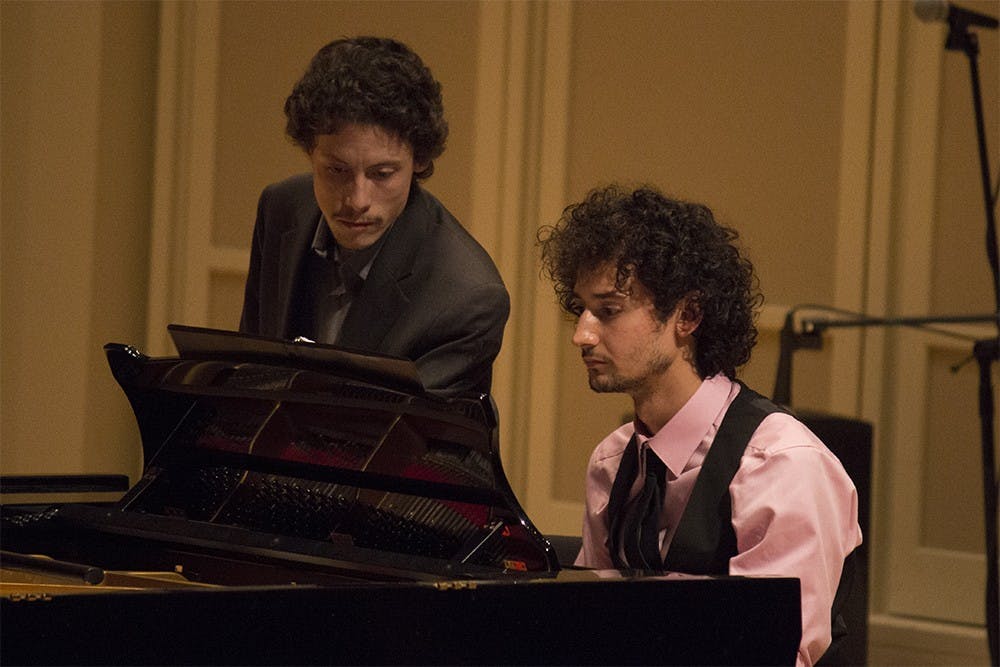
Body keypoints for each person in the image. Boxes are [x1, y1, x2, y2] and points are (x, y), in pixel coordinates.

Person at [537, 184, 862, 667]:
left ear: (687, 315)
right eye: (580, 310)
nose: (582, 334)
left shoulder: (781, 467)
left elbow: (771, 655)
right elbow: (594, 631)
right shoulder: (612, 460)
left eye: (609, 311)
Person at [239, 37, 509, 397]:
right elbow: (248, 375)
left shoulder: (468, 297)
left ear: (420, 161)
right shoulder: (281, 207)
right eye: (337, 170)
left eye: (382, 174)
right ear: (308, 151)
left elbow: (401, 439)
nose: (357, 200)